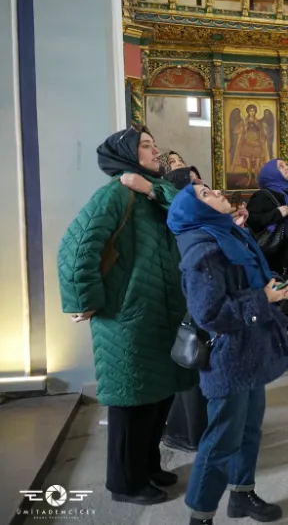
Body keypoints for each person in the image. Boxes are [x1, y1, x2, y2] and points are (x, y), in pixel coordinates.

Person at [58, 126, 196, 505]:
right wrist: (82, 300)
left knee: (157, 397)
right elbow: (76, 247)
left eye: (154, 145)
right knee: (131, 401)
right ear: (126, 155)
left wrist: (151, 188)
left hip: (157, 313)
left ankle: (147, 466)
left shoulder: (152, 192)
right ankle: (124, 483)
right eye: (146, 146)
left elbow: (188, 210)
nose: (155, 151)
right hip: (126, 317)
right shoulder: (114, 194)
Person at [167, 183, 288, 525]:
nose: (216, 192)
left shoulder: (230, 234)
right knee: (221, 439)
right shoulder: (202, 252)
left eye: (210, 189)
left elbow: (248, 279)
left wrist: (273, 287)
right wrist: (263, 299)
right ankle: (200, 514)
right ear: (196, 211)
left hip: (250, 349)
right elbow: (210, 314)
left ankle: (241, 494)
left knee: (249, 429)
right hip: (228, 356)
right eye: (205, 194)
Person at [162, 168, 210, 454]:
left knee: (197, 372)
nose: (202, 188)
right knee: (191, 364)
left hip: (196, 304)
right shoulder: (181, 227)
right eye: (193, 185)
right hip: (187, 304)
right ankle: (188, 433)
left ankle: (190, 430)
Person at [246, 159, 288, 278]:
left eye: (287, 165)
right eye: (281, 166)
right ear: (271, 173)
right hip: (270, 258)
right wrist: (277, 213)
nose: (287, 168)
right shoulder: (262, 195)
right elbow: (251, 221)